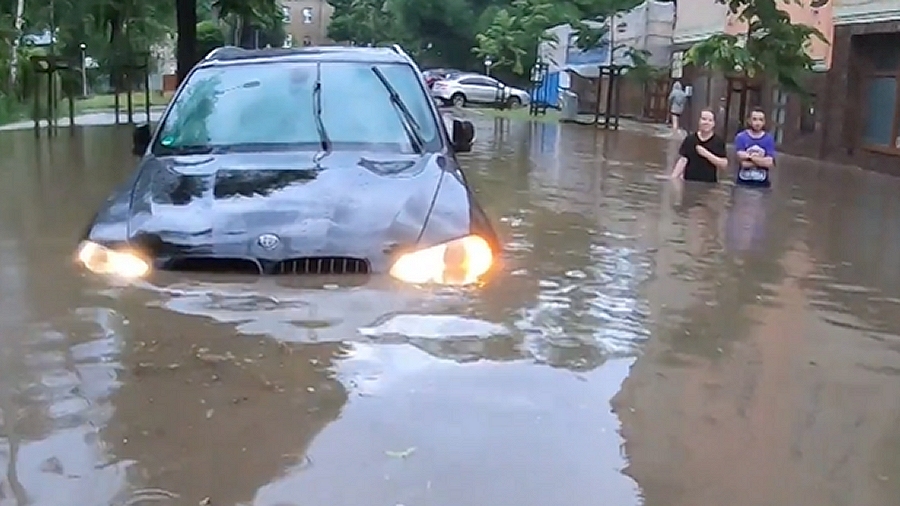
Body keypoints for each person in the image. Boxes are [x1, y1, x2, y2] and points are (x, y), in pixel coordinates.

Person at [666, 108, 729, 183]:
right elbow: (683, 160)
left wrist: (706, 154)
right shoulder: (690, 139)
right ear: (699, 121)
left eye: (710, 120)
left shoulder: (718, 141)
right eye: (704, 119)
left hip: (709, 184)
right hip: (689, 182)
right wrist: (673, 178)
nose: (706, 122)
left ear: (714, 124)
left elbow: (724, 164)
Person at [734, 107, 776, 188]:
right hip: (742, 183)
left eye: (760, 120)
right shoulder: (741, 137)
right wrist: (761, 160)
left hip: (762, 184)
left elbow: (769, 163)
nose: (757, 123)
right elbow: (742, 162)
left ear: (764, 122)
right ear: (749, 121)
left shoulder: (769, 139)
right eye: (755, 119)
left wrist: (749, 157)